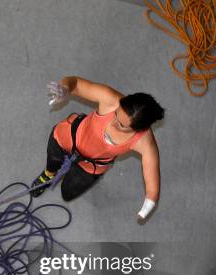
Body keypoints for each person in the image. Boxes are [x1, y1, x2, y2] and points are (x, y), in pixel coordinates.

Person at [32, 76, 164, 220]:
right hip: (68, 137)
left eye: (121, 125)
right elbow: (75, 84)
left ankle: (63, 174)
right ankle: (48, 175)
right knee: (53, 161)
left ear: (138, 130)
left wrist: (147, 207)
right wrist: (65, 88)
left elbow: (152, 189)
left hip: (91, 165)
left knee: (68, 193)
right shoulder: (110, 98)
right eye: (116, 113)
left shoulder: (144, 142)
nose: (113, 123)